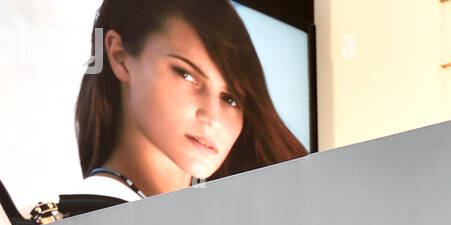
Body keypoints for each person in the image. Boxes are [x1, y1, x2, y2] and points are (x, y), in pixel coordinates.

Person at [72, 0, 305, 202]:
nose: (211, 117)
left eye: (230, 99)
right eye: (186, 74)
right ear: (120, 57)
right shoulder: (86, 224)